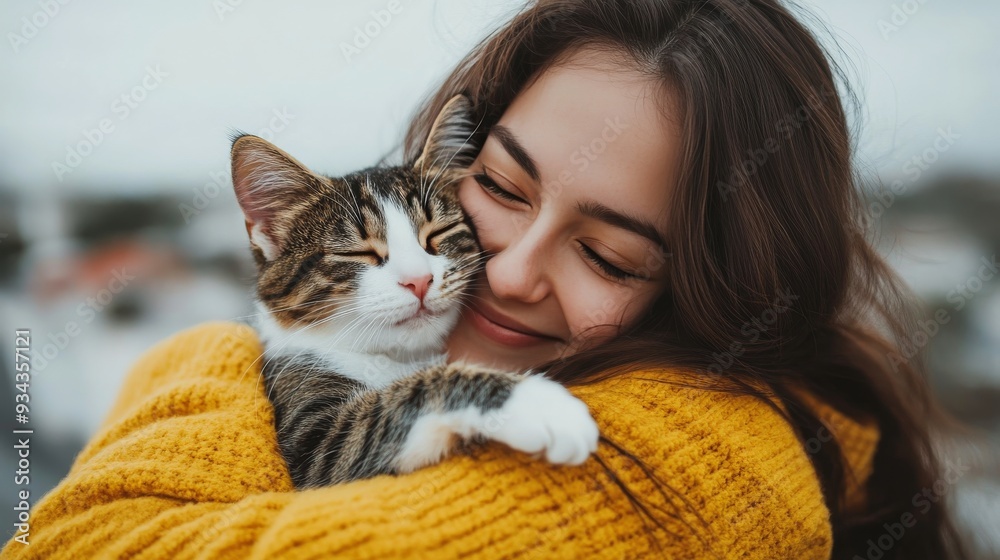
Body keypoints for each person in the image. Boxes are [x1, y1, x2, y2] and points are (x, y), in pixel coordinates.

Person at [3, 1, 968, 558]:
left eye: (611, 256)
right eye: (499, 187)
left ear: (718, 292)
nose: (500, 273)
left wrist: (198, 362)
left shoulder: (691, 459)